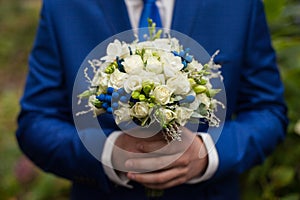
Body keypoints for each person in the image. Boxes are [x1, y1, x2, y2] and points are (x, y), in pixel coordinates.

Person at [16, 0, 288, 199]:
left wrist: (208, 153)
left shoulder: (239, 5)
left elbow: (268, 110)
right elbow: (35, 122)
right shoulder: (63, 7)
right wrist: (108, 152)